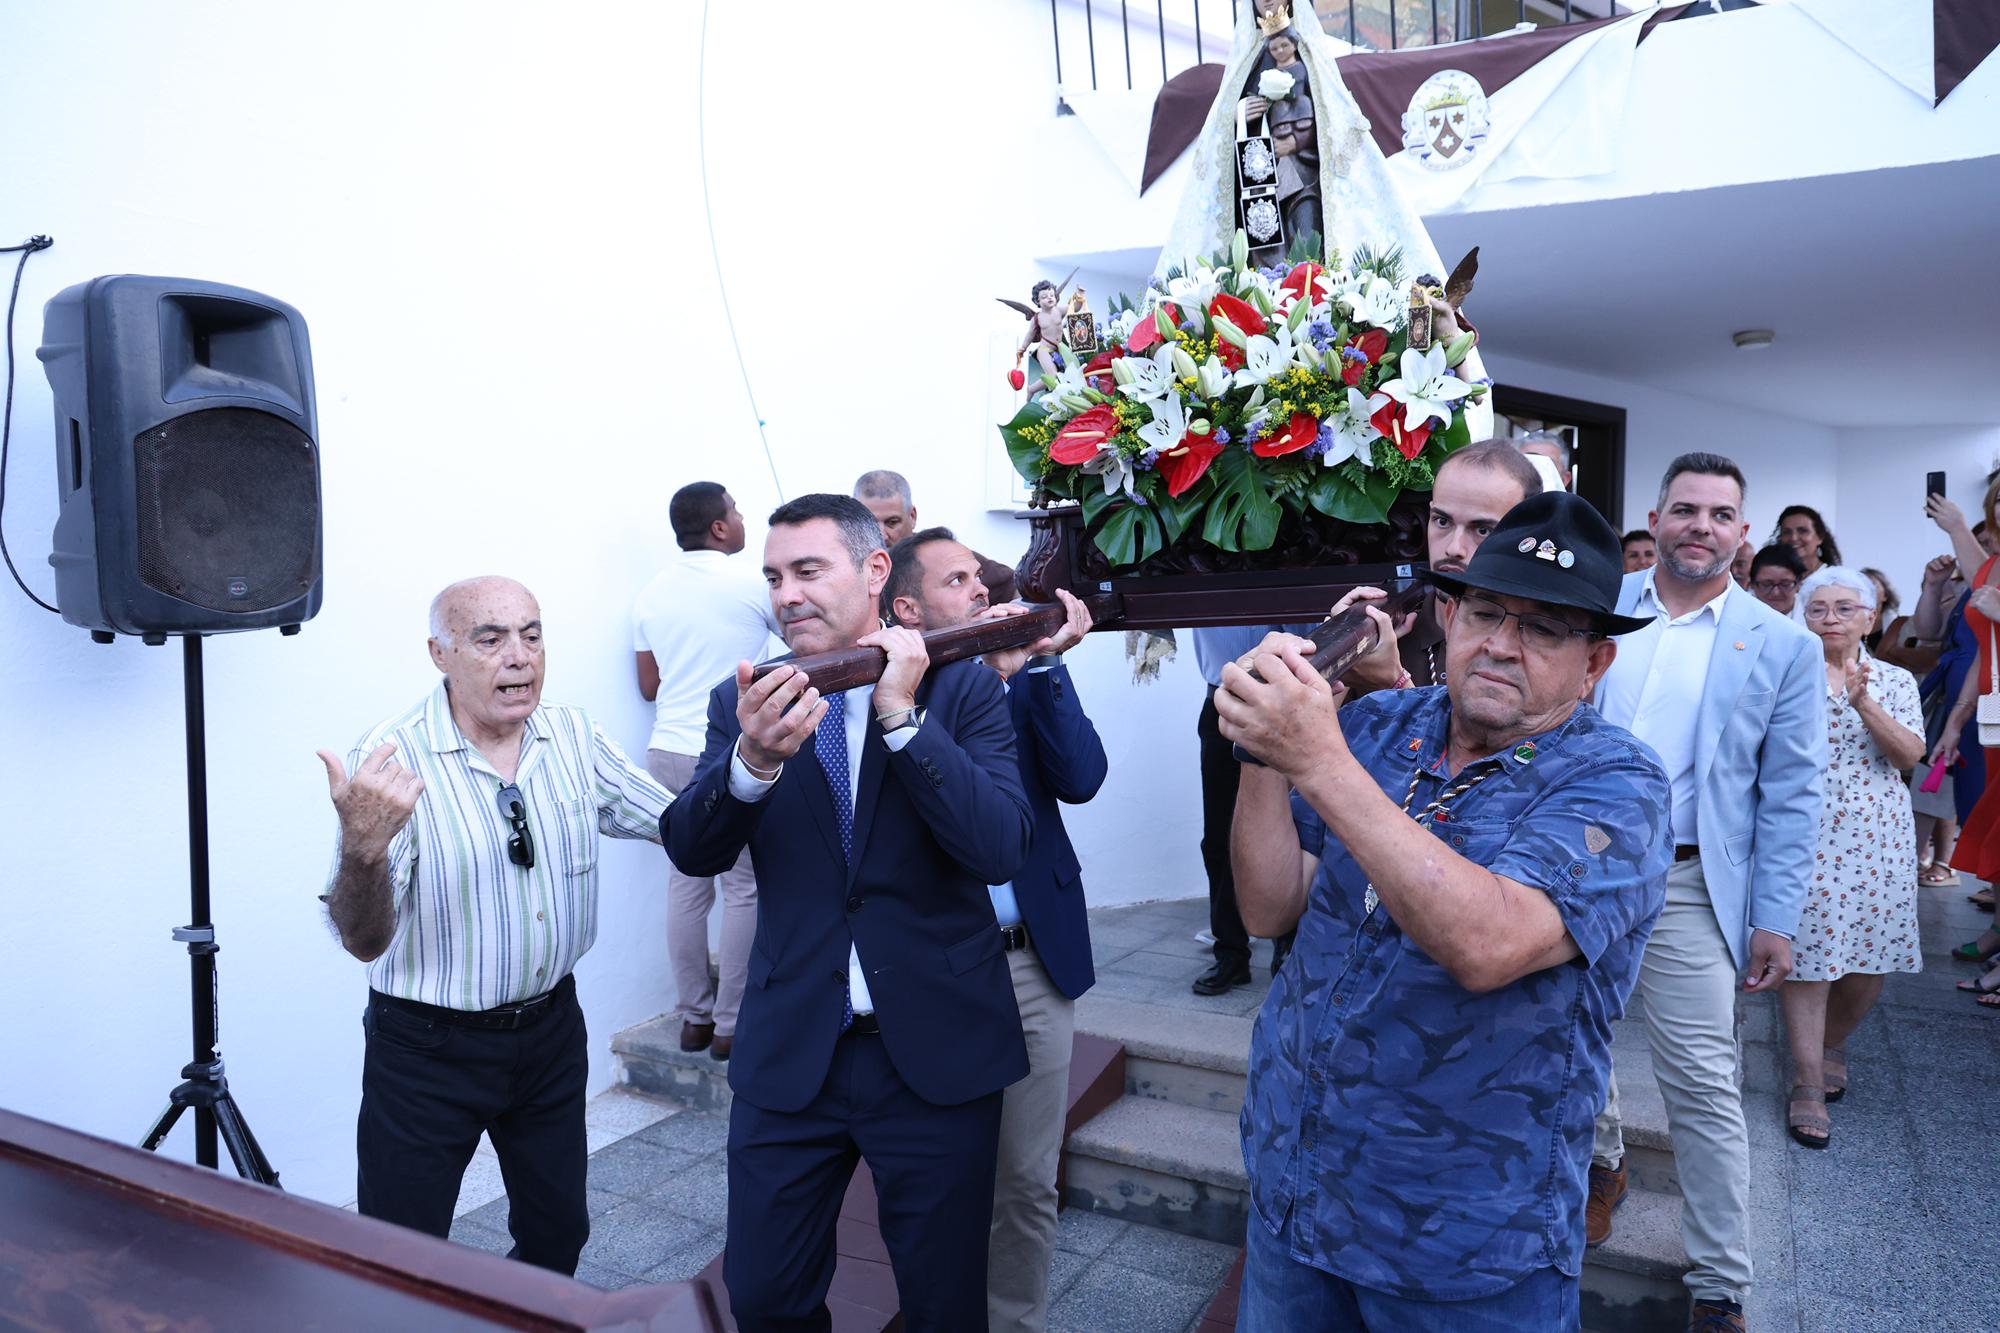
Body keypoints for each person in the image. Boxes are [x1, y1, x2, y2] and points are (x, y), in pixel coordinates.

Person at [1223, 489, 1669, 1332]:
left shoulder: (1619, 784)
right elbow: (1268, 905)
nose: (1503, 645)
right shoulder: (1382, 724)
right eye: (1487, 611)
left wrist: (1314, 757)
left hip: (1465, 1243)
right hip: (1297, 1191)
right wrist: (1261, 747)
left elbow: (1490, 942)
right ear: (1448, 615)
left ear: (1596, 663)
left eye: (1544, 629)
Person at [661, 495, 1031, 1331]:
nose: (786, 593)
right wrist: (751, 761)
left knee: (942, 1303)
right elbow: (690, 845)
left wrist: (903, 722)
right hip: (793, 1051)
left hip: (936, 1055)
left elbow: (1002, 846)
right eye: (772, 576)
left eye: (807, 569)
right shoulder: (746, 699)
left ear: (873, 573)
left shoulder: (961, 685)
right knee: (761, 1297)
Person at [318, 576, 672, 1276]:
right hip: (426, 1049)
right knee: (398, 1257)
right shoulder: (390, 761)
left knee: (557, 1235)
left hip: (549, 1036)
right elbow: (363, 939)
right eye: (490, 638)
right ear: (439, 653)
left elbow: (677, 823)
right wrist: (362, 848)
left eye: (532, 634)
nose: (520, 656)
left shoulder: (572, 734)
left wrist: (755, 769)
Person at [1589, 453, 1825, 1333]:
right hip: (1577, 867)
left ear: (1742, 532)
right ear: (1655, 517)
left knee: (1703, 1081)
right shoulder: (1599, 604)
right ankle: (1601, 1161)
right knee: (1566, 1034)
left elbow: (1794, 790)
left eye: (1719, 514)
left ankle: (1720, 1284)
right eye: (1684, 509)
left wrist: (1775, 916)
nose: (1701, 525)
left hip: (1690, 882)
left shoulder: (1784, 645)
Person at [881, 528, 1104, 1332]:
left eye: (980, 576)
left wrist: (1043, 668)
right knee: (938, 1177)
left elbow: (1080, 777)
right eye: (957, 580)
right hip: (935, 968)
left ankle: (1012, 1323)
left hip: (1029, 966)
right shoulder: (894, 698)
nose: (981, 590)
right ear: (907, 608)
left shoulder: (1023, 676)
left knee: (1025, 1180)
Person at [632, 482, 781, 1061]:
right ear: (720, 528)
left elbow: (649, 686)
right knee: (743, 886)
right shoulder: (751, 586)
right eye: (736, 510)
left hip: (665, 751)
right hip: (726, 748)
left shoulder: (650, 594)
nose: (742, 518)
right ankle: (730, 1025)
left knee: (686, 884)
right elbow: (800, 642)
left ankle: (693, 1018)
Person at [1782, 566, 1925, 1147]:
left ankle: (1831, 1042)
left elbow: (1909, 755)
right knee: (1810, 956)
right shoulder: (1787, 675)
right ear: (1803, 616)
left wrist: (1865, 704)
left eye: (1845, 608)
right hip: (1803, 830)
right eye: (1819, 608)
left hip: (1878, 836)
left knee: (1869, 964)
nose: (1831, 618)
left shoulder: (1892, 679)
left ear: (1870, 616)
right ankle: (1809, 1081)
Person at [852, 469, 1017, 601]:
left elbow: (1018, 589)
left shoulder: (940, 556)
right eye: (870, 524)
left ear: (912, 516)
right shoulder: (844, 564)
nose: (881, 535)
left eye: (892, 522)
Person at [1772, 504, 1840, 577]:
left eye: (1803, 531)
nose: (1793, 538)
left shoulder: (1836, 578)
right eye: (1787, 532)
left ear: (1820, 537)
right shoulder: (1774, 578)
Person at [1747, 544, 1807, 618]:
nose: (1776, 593)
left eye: (1785, 584)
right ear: (1752, 584)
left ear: (1799, 584)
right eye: (1766, 584)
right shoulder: (1738, 612)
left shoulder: (1812, 614)